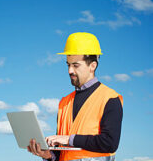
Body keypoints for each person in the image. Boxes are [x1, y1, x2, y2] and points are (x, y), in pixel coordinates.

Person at [27, 32, 123, 161]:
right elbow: (63, 153)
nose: (70, 71)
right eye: (68, 65)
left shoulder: (110, 98)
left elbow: (110, 143)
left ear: (92, 66)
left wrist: (69, 139)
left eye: (75, 65)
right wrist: (49, 156)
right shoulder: (64, 103)